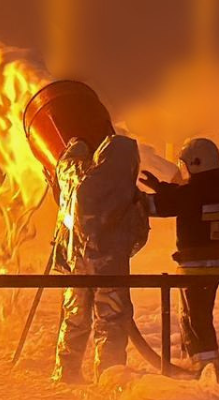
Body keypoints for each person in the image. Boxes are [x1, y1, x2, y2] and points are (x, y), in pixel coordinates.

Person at [53, 135, 148, 384]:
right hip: (111, 269)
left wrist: (77, 147)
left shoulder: (77, 180)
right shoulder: (129, 194)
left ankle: (66, 374)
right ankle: (109, 379)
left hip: (77, 267)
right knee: (112, 322)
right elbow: (139, 233)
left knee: (74, 318)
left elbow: (64, 168)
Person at [139, 137, 219, 381]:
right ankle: (205, 365)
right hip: (211, 264)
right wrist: (161, 186)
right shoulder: (215, 187)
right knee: (199, 316)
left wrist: (130, 198)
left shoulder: (198, 191)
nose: (185, 170)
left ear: (197, 163)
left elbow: (164, 206)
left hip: (196, 267)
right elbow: (186, 197)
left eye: (187, 165)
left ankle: (208, 370)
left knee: (195, 318)